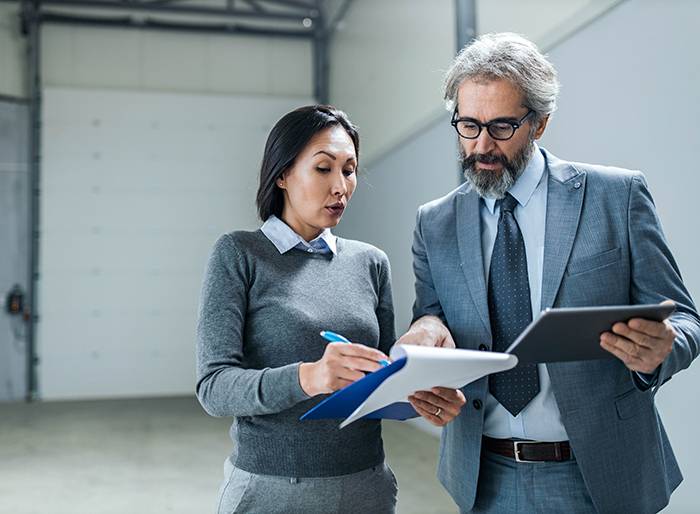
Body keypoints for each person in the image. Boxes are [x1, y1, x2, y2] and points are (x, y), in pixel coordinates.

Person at [398, 33, 700, 513]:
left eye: (501, 127)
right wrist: (424, 332)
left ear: (539, 124)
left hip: (599, 472)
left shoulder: (614, 197)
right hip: (483, 476)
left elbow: (684, 319)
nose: (481, 145)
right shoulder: (434, 222)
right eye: (468, 125)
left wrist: (662, 351)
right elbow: (431, 315)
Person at [196, 105, 461, 514]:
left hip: (366, 486)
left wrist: (421, 396)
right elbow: (214, 388)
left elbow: (381, 380)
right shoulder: (239, 254)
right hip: (271, 492)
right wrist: (309, 376)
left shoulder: (370, 262)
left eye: (349, 170)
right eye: (323, 168)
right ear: (282, 175)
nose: (340, 186)